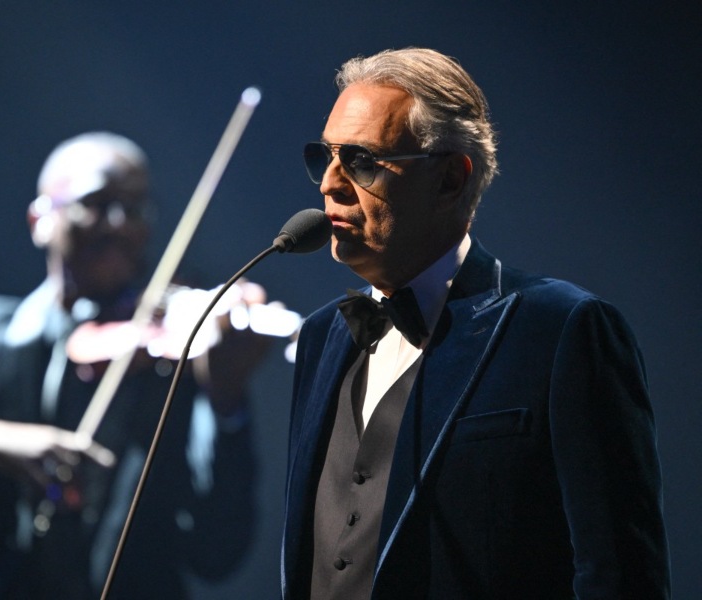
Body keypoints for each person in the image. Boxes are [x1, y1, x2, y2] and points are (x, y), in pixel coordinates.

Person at [282, 48, 671, 599]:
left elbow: (621, 574)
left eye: (361, 160)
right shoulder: (322, 335)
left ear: (449, 179)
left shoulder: (561, 329)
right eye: (325, 156)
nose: (329, 183)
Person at [0, 132, 268, 599]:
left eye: (135, 209)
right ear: (40, 220)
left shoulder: (172, 354)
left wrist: (225, 400)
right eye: (96, 203)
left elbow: (217, 554)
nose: (121, 224)